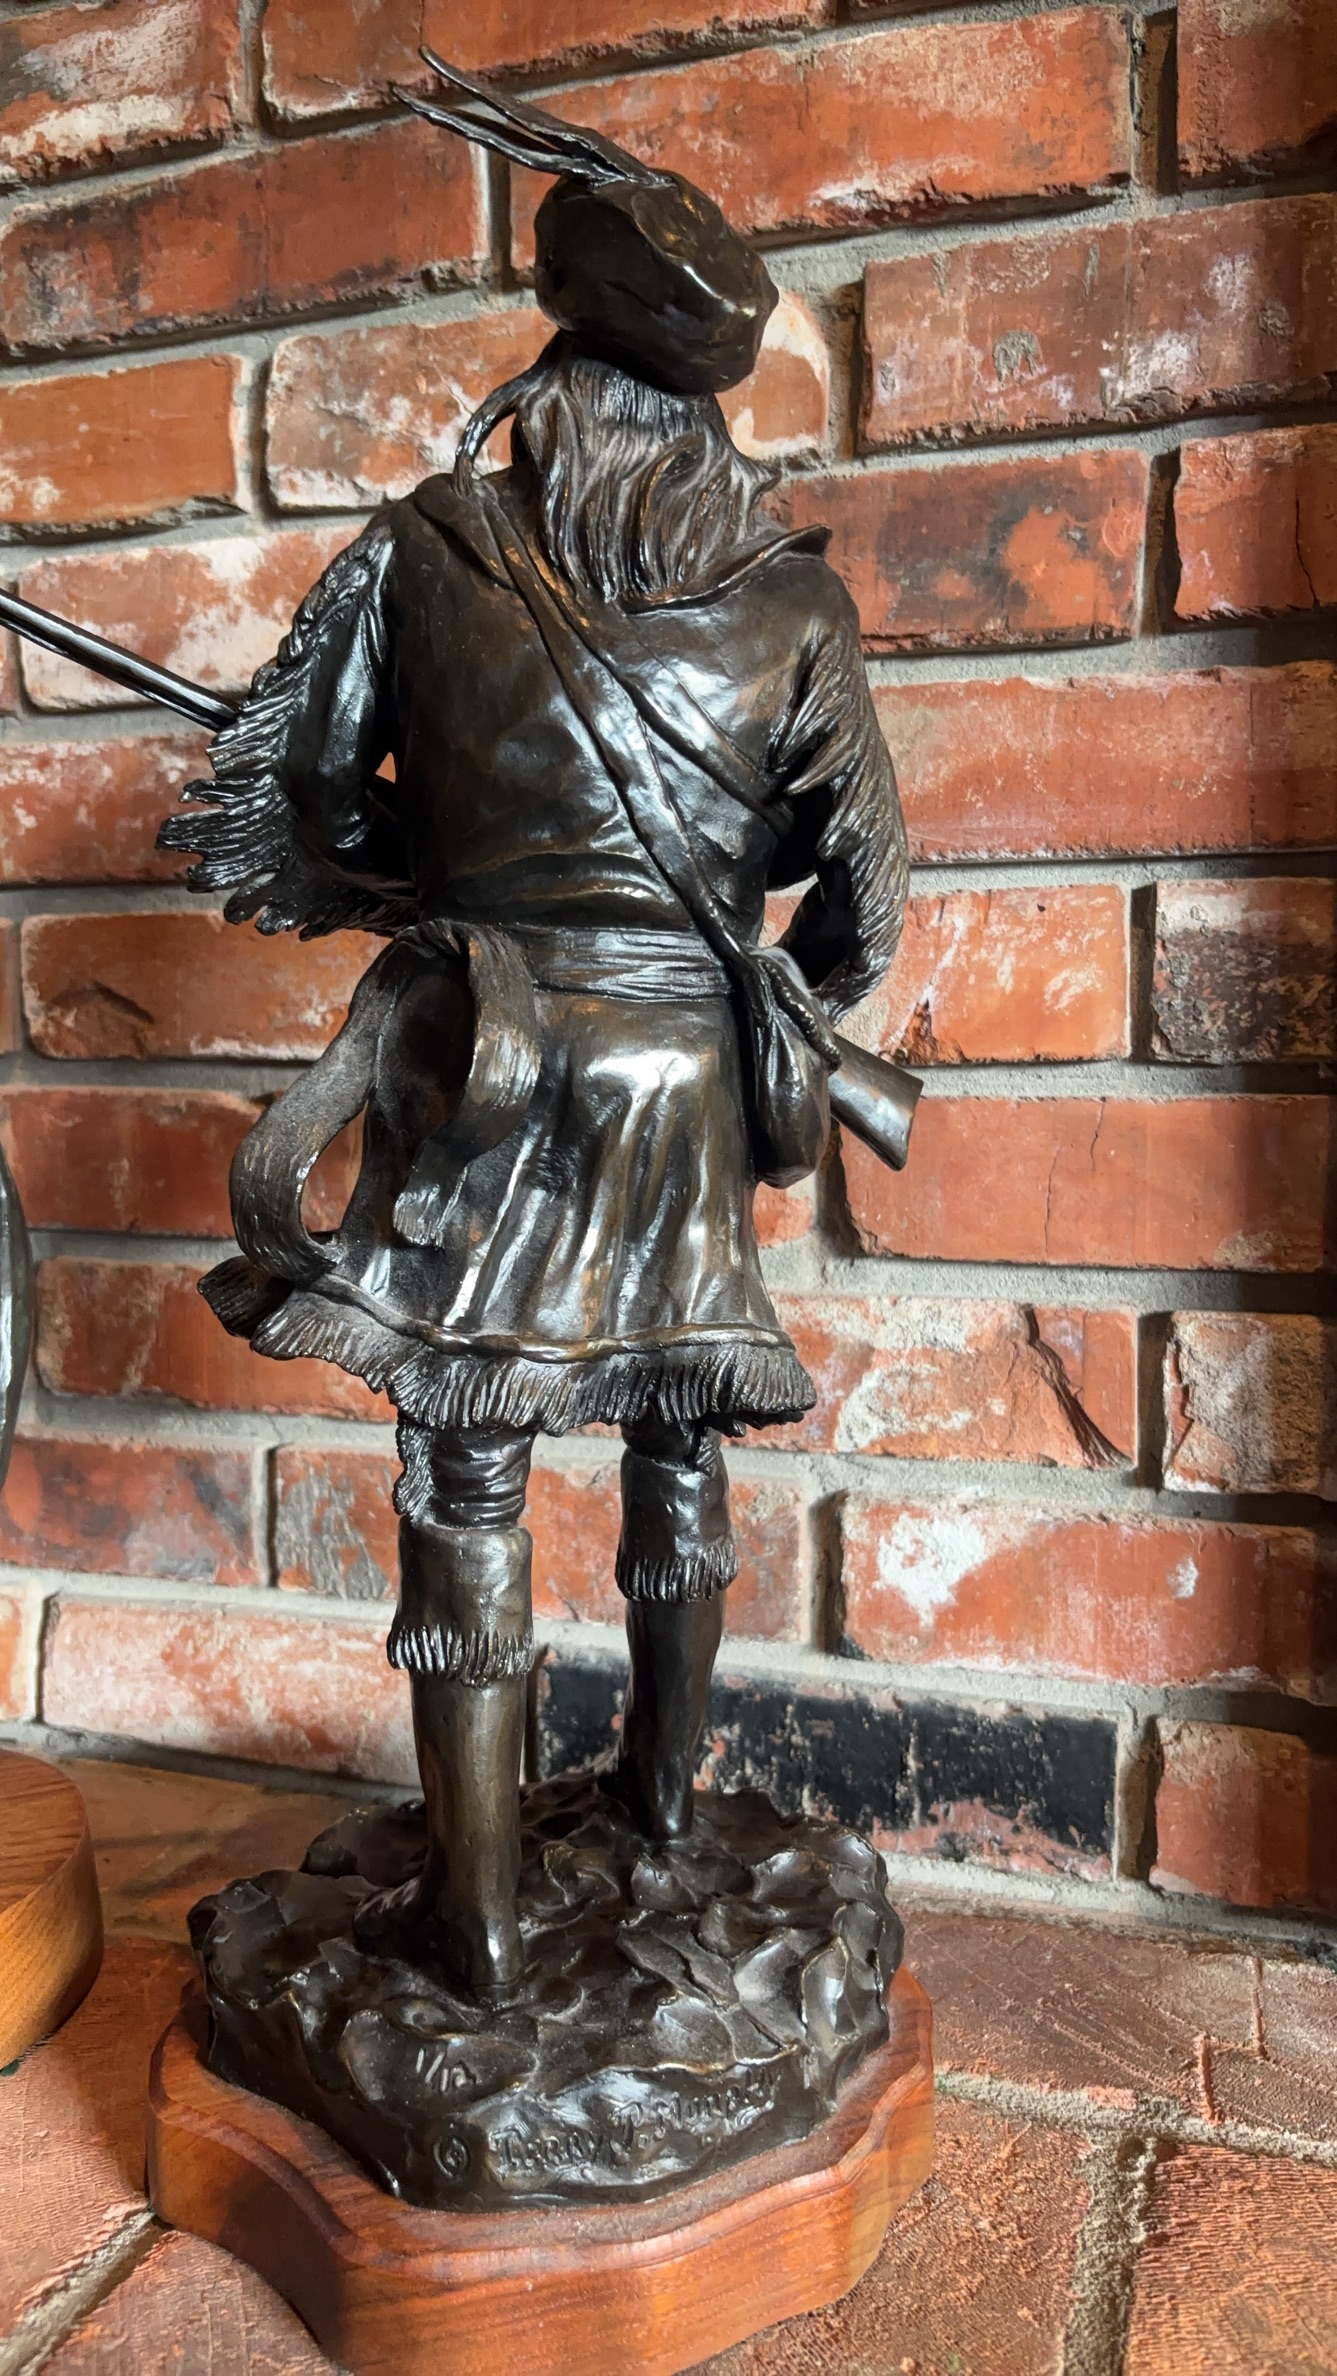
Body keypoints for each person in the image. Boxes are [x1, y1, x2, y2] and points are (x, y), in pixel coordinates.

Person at [161, 57, 908, 2002]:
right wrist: (771, 1011)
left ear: (557, 356)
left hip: (483, 1063)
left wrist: (418, 880)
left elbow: (284, 809)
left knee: (467, 1467)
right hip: (678, 1083)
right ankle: (659, 1811)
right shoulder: (796, 604)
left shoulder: (422, 547)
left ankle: (479, 1924)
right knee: (679, 1437)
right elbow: (864, 900)